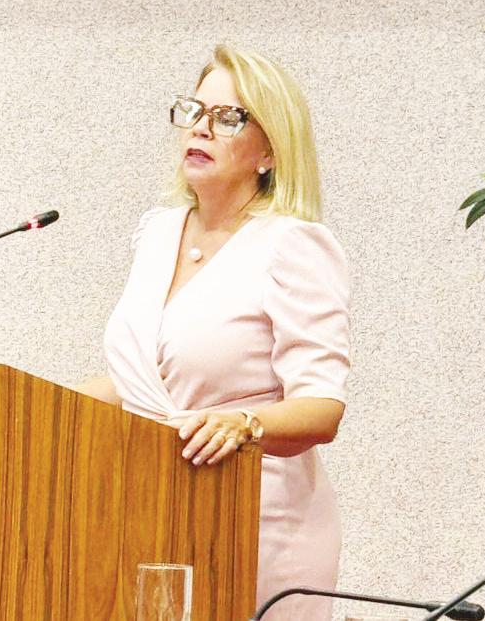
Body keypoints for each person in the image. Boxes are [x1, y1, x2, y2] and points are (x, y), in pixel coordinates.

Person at [76, 45, 350, 621]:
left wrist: (244, 423)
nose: (200, 128)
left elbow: (322, 409)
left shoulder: (292, 245)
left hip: (256, 519)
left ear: (269, 151)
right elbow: (146, 383)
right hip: (152, 504)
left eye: (228, 118)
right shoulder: (158, 232)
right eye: (194, 111)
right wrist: (30, 402)